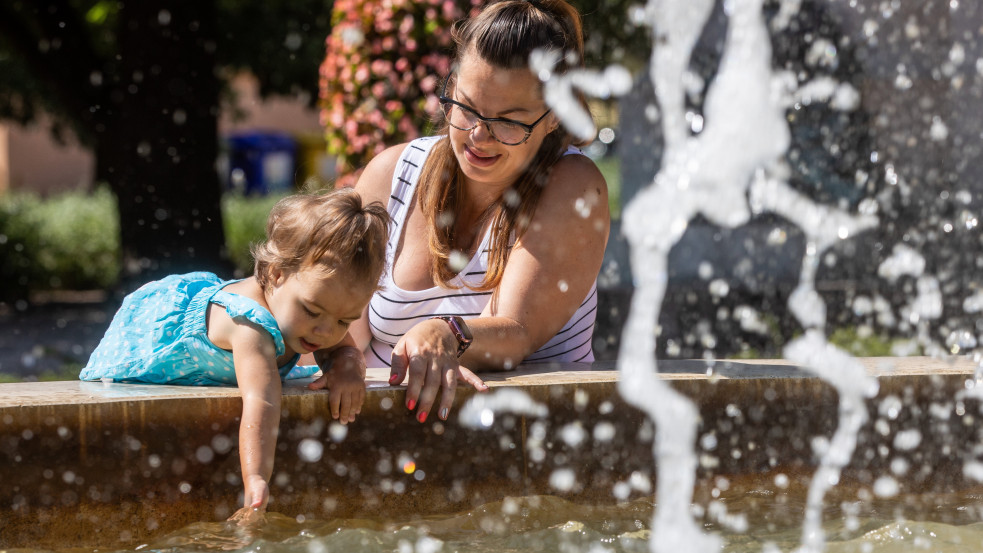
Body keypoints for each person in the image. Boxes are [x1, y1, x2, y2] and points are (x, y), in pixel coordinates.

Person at [309, 0, 609, 424]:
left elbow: (517, 331)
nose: (478, 135)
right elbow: (330, 316)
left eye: (509, 121)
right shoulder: (390, 175)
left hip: (526, 443)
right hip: (373, 435)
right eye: (466, 107)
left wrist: (448, 331)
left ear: (554, 117)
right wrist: (338, 357)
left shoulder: (573, 186)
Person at [79, 188, 389, 519]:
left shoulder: (314, 309)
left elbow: (343, 349)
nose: (325, 331)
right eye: (312, 311)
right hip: (150, 338)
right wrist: (256, 478)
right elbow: (262, 402)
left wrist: (348, 367)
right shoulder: (250, 326)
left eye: (345, 320)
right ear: (276, 274)